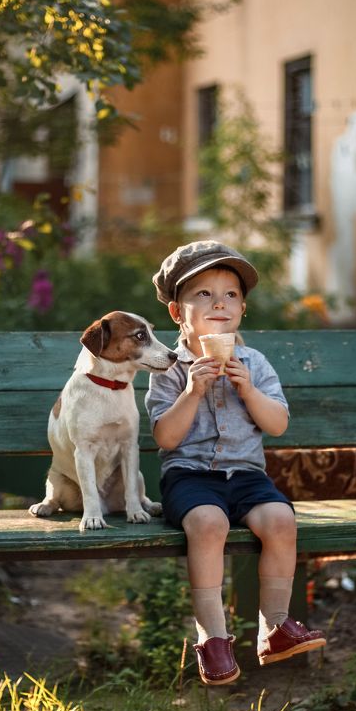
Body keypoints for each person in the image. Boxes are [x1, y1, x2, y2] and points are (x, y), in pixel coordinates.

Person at [145, 240, 326, 685]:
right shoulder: (169, 369)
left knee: (282, 520)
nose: (219, 303)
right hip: (190, 478)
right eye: (203, 294)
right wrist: (191, 391)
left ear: (242, 309)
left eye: (230, 295)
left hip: (246, 476)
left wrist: (248, 390)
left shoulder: (254, 363)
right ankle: (213, 638)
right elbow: (164, 438)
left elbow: (278, 423)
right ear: (176, 313)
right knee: (209, 525)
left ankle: (276, 627)